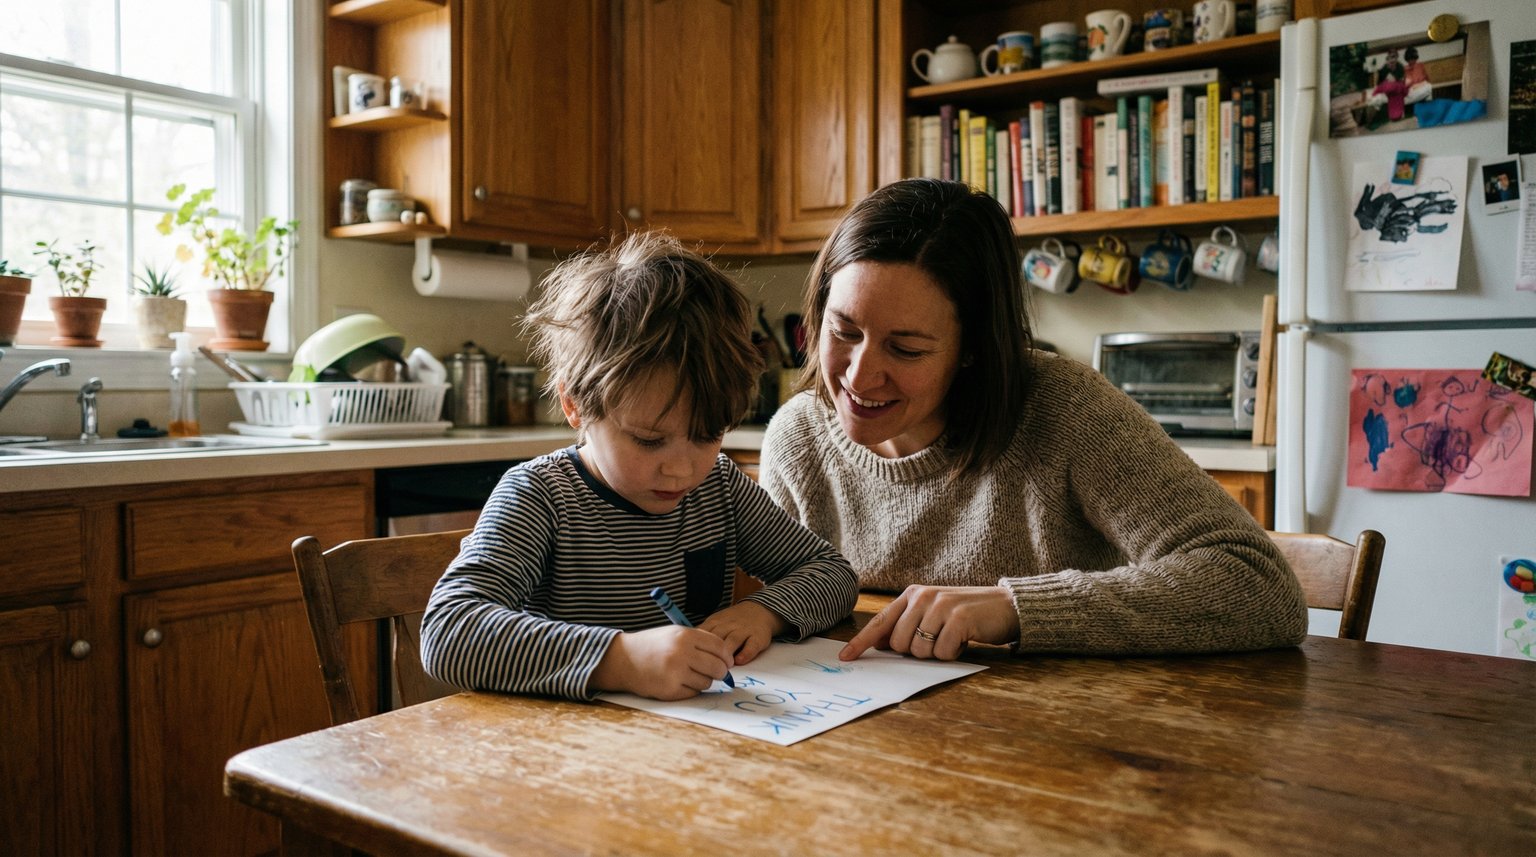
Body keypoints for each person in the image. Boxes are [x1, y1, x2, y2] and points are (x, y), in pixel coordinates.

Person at [759, 178, 1307, 662]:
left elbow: (1261, 585)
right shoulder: (798, 439)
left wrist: (1015, 608)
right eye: (844, 331)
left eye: (905, 349)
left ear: (972, 349)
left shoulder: (1064, 408)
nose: (859, 374)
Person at [421, 232, 858, 701]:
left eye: (707, 436)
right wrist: (622, 659)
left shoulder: (719, 487)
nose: (682, 472)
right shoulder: (541, 496)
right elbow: (449, 629)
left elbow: (832, 573)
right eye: (649, 440)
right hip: (562, 750)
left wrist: (764, 613)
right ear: (575, 405)